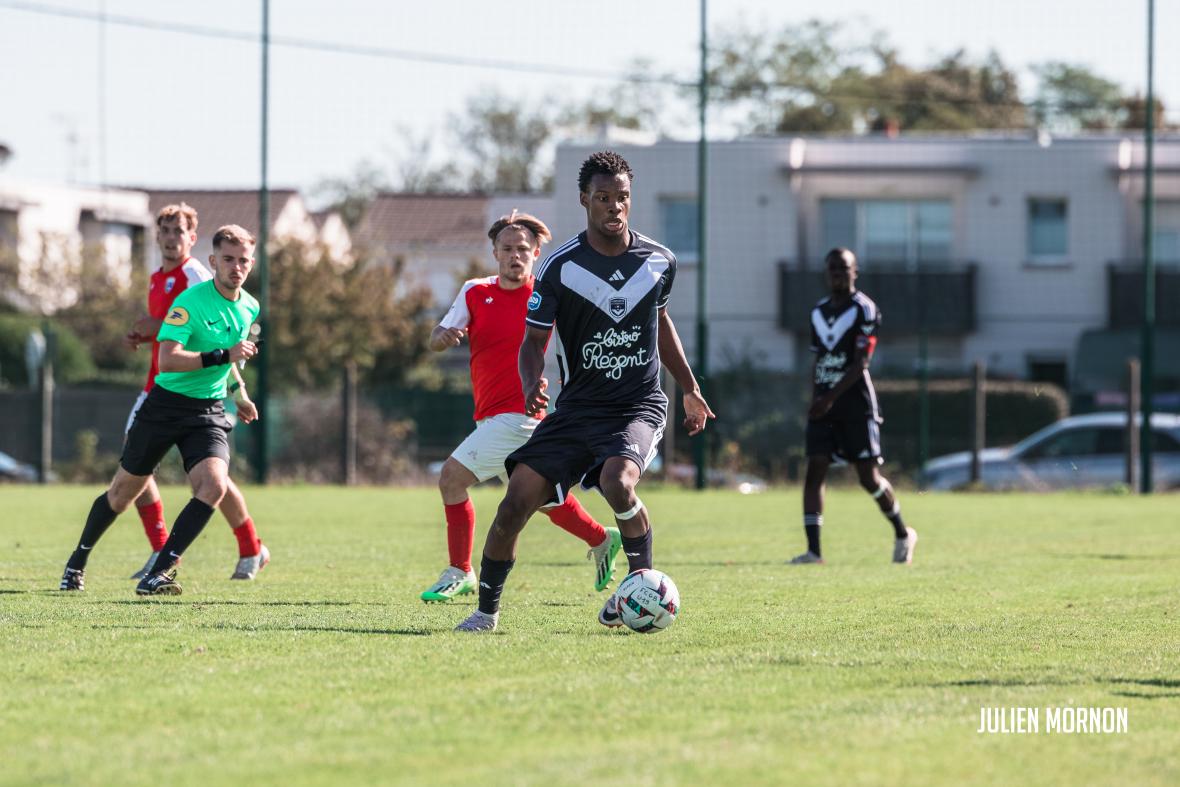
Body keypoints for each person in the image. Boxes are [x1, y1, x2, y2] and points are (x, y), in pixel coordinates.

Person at [455, 151, 715, 632]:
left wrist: (691, 389)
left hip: (637, 406)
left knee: (618, 482)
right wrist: (532, 382)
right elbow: (534, 342)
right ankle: (486, 612)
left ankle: (637, 593)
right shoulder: (560, 267)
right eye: (603, 198)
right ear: (584, 200)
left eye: (622, 198)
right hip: (577, 412)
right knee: (516, 500)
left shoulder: (660, 261)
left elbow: (661, 322)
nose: (614, 207)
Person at [422, 211, 622, 603]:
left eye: (523, 250)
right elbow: (435, 337)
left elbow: (582, 340)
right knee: (542, 498)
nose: (516, 256)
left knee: (451, 479)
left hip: (521, 415)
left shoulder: (546, 295)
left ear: (536, 254)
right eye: (508, 249)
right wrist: (442, 336)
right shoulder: (475, 292)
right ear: (495, 252)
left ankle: (460, 569)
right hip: (489, 416)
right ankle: (602, 538)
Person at [60, 225, 262, 596]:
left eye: (244, 261)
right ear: (213, 261)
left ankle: (160, 572)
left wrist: (240, 394)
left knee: (214, 484)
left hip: (207, 411)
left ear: (251, 264)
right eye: (228, 259)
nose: (237, 267)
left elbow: (230, 359)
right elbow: (168, 361)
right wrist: (222, 356)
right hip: (164, 406)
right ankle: (76, 562)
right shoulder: (189, 302)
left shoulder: (250, 306)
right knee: (122, 494)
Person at [122, 203, 269, 582]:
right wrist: (145, 333)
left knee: (210, 479)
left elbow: (211, 329)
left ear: (192, 237)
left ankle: (249, 545)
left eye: (179, 231)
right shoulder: (159, 277)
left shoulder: (197, 275)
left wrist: (238, 391)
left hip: (197, 391)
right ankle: (162, 548)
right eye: (165, 231)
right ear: (157, 236)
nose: (172, 238)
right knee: (144, 468)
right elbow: (175, 331)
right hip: (160, 386)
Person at [790, 247, 917, 566]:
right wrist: (815, 397)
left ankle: (903, 533)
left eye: (843, 268)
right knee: (815, 468)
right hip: (823, 405)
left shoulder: (865, 309)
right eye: (831, 268)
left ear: (854, 272)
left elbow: (861, 363)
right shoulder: (818, 311)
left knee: (867, 477)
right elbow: (818, 359)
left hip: (855, 405)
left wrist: (829, 398)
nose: (837, 273)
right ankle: (814, 552)